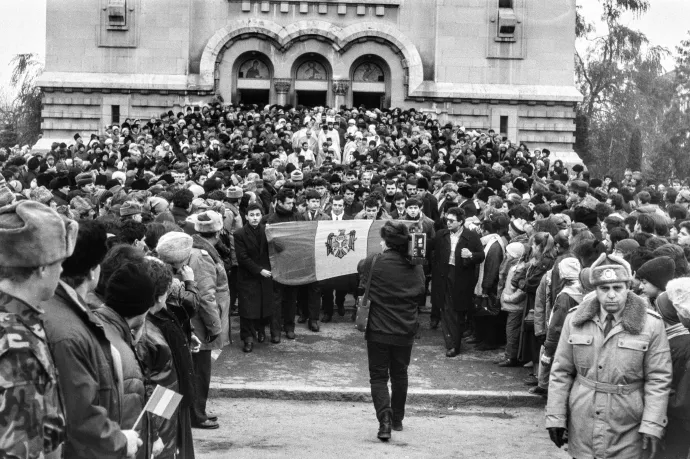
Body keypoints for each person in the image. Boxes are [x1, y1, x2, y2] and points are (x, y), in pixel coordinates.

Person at [546, 253, 672, 459]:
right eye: (604, 289)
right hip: (583, 421)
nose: (611, 295)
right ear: (595, 290)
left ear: (628, 288)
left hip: (628, 425)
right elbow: (561, 372)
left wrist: (652, 423)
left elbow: (659, 378)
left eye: (617, 288)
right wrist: (556, 417)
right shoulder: (575, 320)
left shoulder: (650, 324)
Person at [43, 220, 142, 458]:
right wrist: (120, 441)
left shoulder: (64, 313)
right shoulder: (68, 330)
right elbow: (80, 414)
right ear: (93, 271)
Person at [0, 201, 77, 458]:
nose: (62, 270)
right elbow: (20, 449)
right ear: (42, 267)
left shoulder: (18, 321)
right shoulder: (17, 344)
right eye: (59, 262)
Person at [358, 220, 425, 441]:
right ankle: (396, 419)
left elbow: (360, 270)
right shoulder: (416, 265)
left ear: (386, 241)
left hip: (378, 329)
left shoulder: (374, 262)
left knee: (378, 377)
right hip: (405, 329)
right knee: (399, 374)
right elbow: (421, 293)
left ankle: (384, 420)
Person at [429, 207, 484, 357]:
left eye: (452, 220)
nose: (448, 223)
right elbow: (429, 246)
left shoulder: (471, 236)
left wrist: (471, 254)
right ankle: (452, 344)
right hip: (443, 274)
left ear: (460, 222)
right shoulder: (442, 234)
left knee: (457, 310)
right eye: (447, 219)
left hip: (462, 277)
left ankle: (455, 340)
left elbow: (481, 255)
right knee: (446, 309)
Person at [234, 203, 274, 352]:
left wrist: (274, 235)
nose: (255, 218)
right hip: (248, 276)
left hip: (265, 276)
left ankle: (261, 330)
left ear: (261, 216)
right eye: (251, 215)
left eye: (257, 215)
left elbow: (277, 249)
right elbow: (242, 258)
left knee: (263, 306)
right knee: (247, 309)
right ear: (246, 217)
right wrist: (259, 270)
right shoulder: (239, 234)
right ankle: (248, 339)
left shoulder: (267, 231)